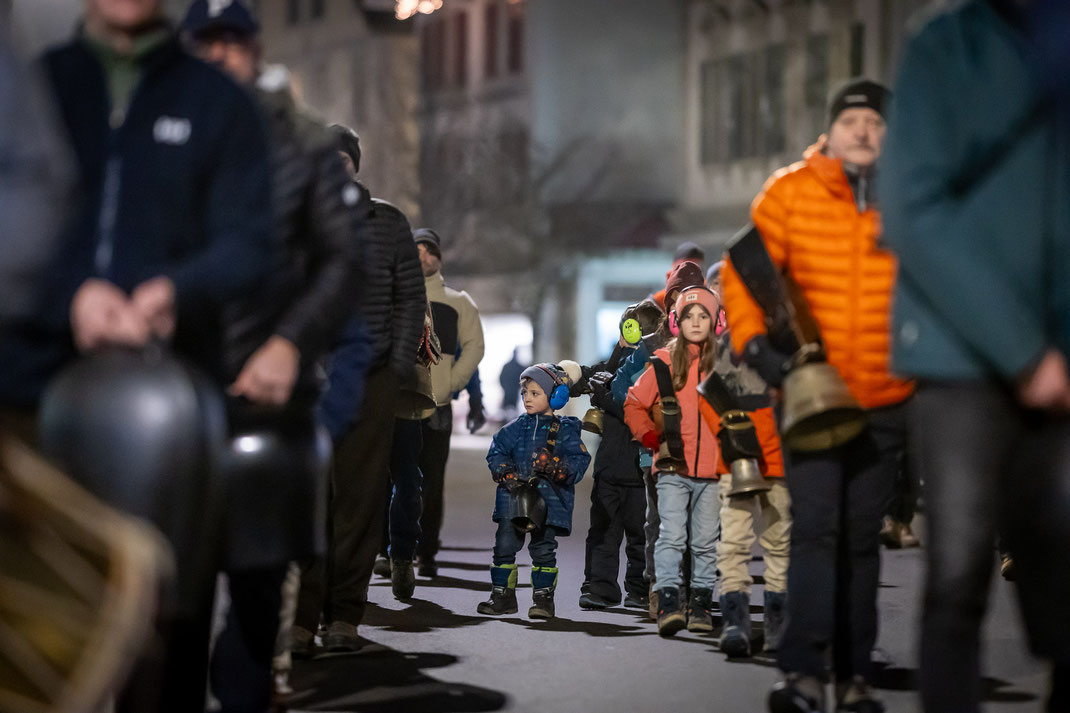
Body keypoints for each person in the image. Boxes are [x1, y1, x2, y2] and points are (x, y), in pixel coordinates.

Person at [3, 2, 276, 711]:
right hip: (31, 392)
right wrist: (68, 298)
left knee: (164, 629)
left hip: (170, 405)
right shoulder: (40, 84)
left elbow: (251, 242)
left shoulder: (218, 103)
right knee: (36, 625)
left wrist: (173, 290)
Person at [881, 1, 1070, 709]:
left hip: (1057, 352)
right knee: (959, 576)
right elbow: (913, 210)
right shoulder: (949, 46)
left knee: (1060, 578)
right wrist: (1025, 353)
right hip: (961, 358)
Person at [180, 2, 368, 709]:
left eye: (234, 40)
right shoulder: (157, 135)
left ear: (254, 49)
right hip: (180, 398)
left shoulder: (305, 145)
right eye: (206, 41)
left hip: (274, 401)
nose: (220, 54)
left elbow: (344, 262)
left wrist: (292, 346)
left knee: (259, 602)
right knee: (174, 601)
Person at [721, 78, 914, 712]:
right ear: (830, 130)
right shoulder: (790, 192)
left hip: (886, 398)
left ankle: (854, 676)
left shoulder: (913, 196)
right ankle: (801, 671)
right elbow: (742, 274)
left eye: (876, 122)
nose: (864, 129)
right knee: (814, 531)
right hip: (811, 398)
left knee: (861, 540)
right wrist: (757, 351)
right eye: (852, 119)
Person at [292, 121, 426, 654]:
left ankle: (344, 614)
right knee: (307, 498)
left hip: (371, 379)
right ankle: (302, 616)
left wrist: (394, 364)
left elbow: (410, 299)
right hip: (309, 382)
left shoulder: (389, 223)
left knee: (361, 497)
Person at [624, 286, 722, 637]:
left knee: (705, 543)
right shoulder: (664, 361)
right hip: (670, 467)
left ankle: (700, 605)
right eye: (689, 316)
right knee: (670, 537)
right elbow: (634, 402)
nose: (696, 322)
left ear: (715, 320)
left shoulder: (722, 364)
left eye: (704, 315)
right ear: (677, 321)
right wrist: (649, 436)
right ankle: (668, 603)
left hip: (713, 472)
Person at [697, 308, 790, 658]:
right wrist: (727, 430)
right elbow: (707, 394)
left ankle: (777, 626)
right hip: (735, 458)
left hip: (777, 456)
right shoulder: (724, 344)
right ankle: (736, 623)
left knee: (778, 543)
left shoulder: (782, 341)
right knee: (733, 543)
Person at [478, 362, 591, 619]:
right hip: (512, 498)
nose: (527, 399)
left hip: (548, 503)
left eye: (535, 393)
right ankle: (502, 596)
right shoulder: (516, 428)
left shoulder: (565, 430)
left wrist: (555, 467)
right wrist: (504, 469)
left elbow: (580, 460)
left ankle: (543, 600)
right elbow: (497, 450)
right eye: (525, 394)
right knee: (504, 546)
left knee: (543, 549)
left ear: (555, 397)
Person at [409, 228, 485, 579]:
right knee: (390, 479)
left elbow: (474, 347)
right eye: (417, 249)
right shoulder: (397, 295)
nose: (423, 256)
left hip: (436, 406)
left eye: (430, 250)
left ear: (439, 258)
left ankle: (425, 551)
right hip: (398, 402)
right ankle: (393, 548)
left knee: (431, 481)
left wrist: (453, 384)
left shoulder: (459, 303)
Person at [578, 307, 649, 611]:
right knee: (603, 529)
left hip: (641, 468)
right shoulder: (615, 362)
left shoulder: (655, 368)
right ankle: (600, 587)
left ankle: (640, 589)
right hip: (610, 464)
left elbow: (636, 409)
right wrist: (562, 376)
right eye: (625, 330)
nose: (626, 337)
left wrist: (604, 398)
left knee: (641, 533)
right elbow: (589, 375)